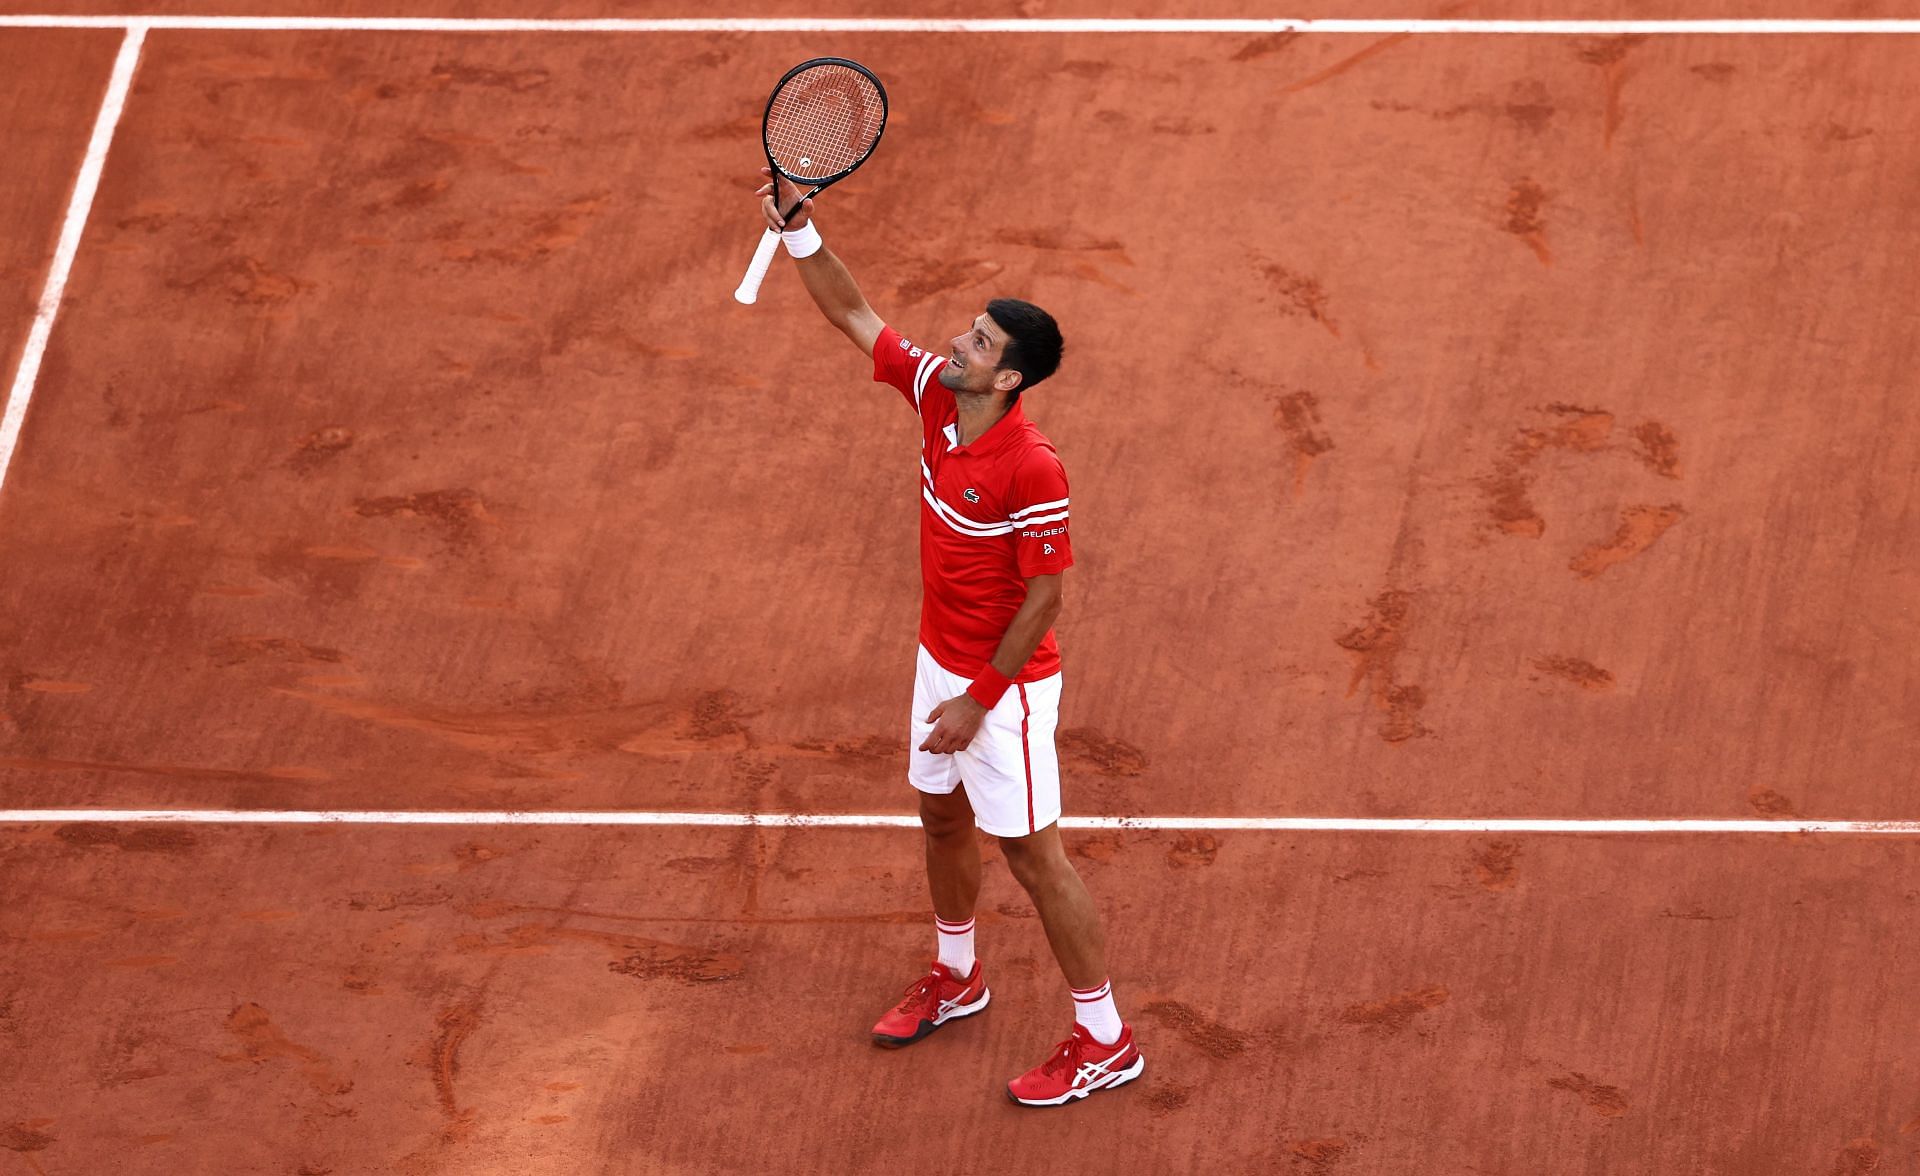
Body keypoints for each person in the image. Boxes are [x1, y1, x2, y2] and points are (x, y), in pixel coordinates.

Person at [754, 169, 1144, 1106]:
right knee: (937, 815)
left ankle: (1107, 1037)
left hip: (1002, 688)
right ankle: (958, 975)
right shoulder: (936, 394)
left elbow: (1044, 601)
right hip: (939, 661)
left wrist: (978, 699)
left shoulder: (1031, 468)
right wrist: (801, 231)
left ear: (1009, 377)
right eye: (970, 331)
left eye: (979, 342)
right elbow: (855, 314)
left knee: (1035, 855)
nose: (958, 342)